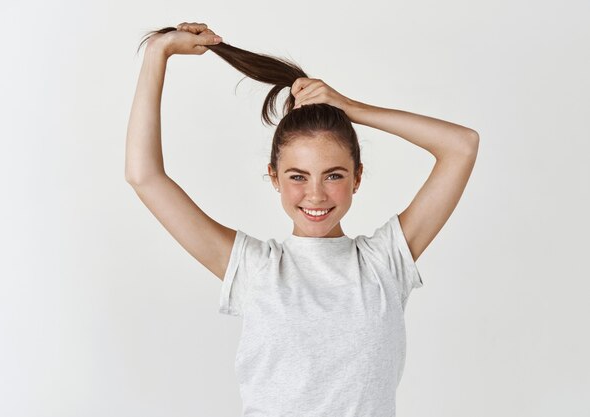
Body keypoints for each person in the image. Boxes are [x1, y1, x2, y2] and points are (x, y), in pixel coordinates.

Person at [125, 21, 479, 417]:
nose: (315, 195)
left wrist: (354, 110)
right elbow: (145, 177)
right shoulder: (255, 269)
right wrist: (158, 54)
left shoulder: (385, 262)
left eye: (334, 175)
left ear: (357, 177)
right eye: (298, 176)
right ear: (274, 177)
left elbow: (462, 146)